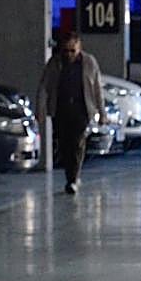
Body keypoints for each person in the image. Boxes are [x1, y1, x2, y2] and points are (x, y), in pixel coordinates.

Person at [37, 31, 103, 194]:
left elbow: (97, 88)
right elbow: (44, 86)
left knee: (78, 142)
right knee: (64, 144)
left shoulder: (89, 62)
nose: (69, 55)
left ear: (79, 48)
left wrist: (102, 112)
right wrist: (40, 109)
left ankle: (73, 178)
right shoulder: (55, 63)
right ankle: (70, 175)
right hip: (61, 108)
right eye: (66, 51)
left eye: (73, 51)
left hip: (81, 109)